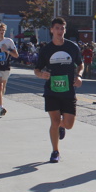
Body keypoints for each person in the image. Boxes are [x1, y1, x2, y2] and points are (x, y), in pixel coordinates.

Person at [33, 17, 83, 163]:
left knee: (69, 125)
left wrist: (79, 76)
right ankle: (55, 151)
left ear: (65, 30)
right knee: (54, 122)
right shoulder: (46, 50)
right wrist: (41, 75)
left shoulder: (72, 47)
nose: (60, 31)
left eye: (62, 29)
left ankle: (62, 126)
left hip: (68, 91)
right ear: (52, 30)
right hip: (52, 91)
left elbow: (81, 64)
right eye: (57, 28)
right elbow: (36, 69)